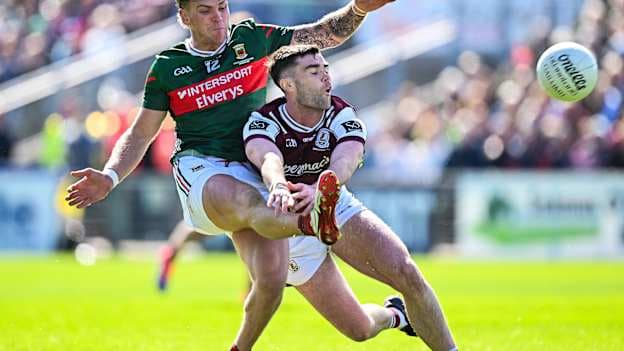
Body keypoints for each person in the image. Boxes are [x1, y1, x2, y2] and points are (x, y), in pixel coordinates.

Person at [64, 1, 397, 350]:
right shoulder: (168, 67)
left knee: (276, 283)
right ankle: (315, 218)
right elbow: (141, 132)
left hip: (254, 168)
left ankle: (391, 316)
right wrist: (111, 175)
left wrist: (359, 9)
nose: (218, 18)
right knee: (248, 203)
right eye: (205, 10)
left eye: (222, 7)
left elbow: (321, 34)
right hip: (201, 168)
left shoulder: (251, 40)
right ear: (184, 16)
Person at [241, 45, 458, 351]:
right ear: (288, 85)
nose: (326, 77)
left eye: (325, 68)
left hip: (332, 203)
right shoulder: (264, 120)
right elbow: (267, 157)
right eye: (314, 72)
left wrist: (322, 186)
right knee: (361, 329)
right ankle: (395, 315)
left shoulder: (342, 113)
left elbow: (348, 157)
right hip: (288, 225)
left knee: (407, 272)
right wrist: (278, 184)